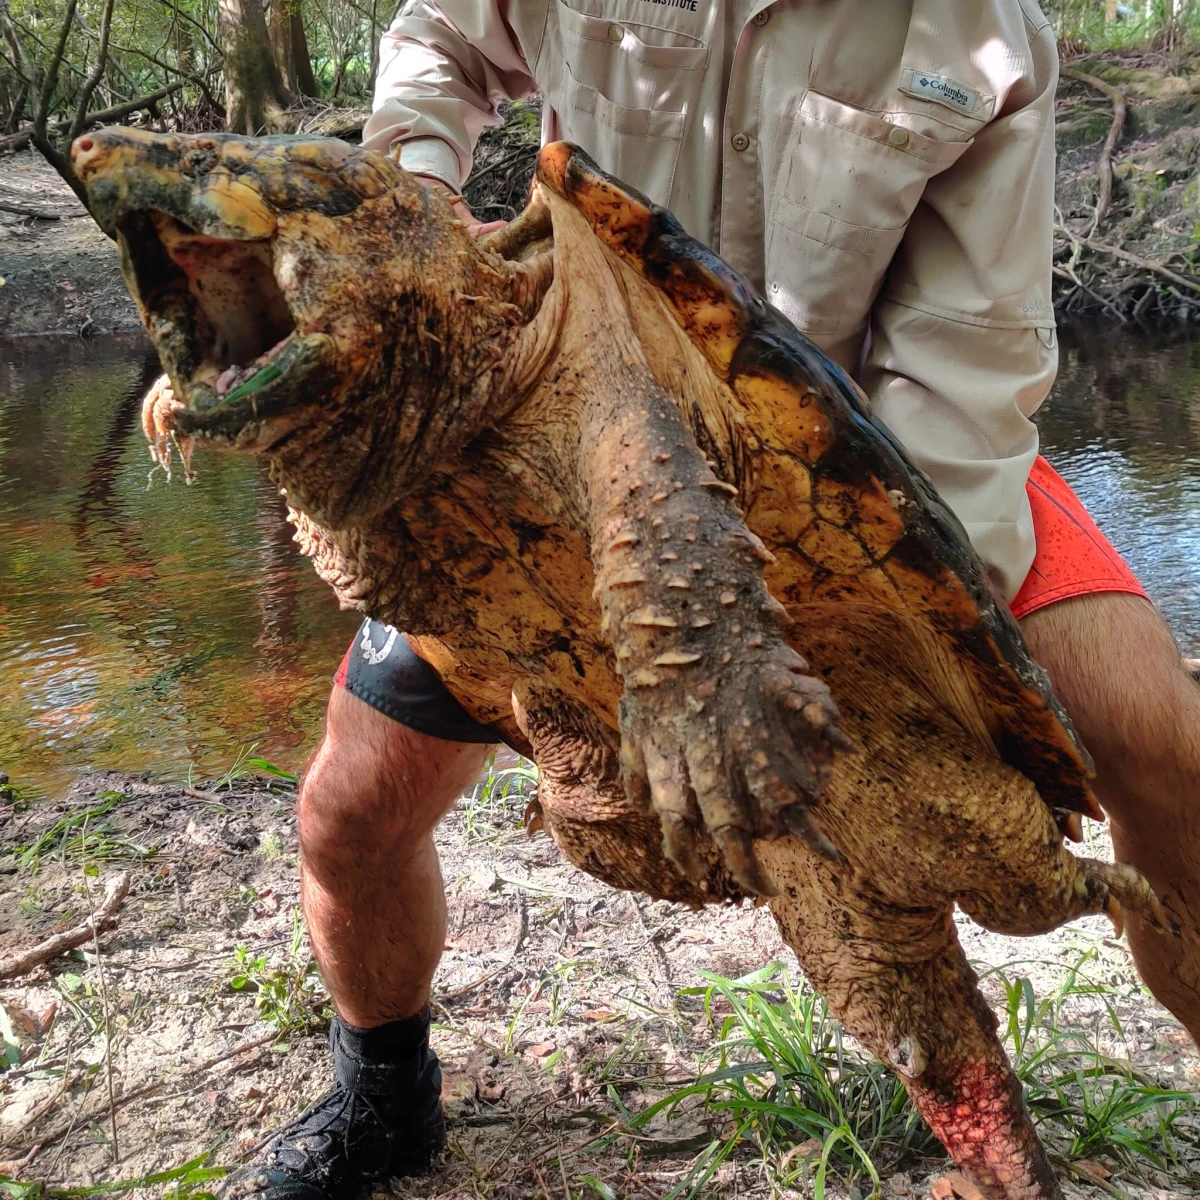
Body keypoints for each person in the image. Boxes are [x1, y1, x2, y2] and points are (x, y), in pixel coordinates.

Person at [225, 2, 1200, 1197]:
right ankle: (383, 1091)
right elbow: (439, 39)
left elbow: (964, 363)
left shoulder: (978, 32)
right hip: (555, 422)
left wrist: (887, 635)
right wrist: (418, 208)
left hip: (862, 445)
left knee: (1163, 749)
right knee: (348, 812)